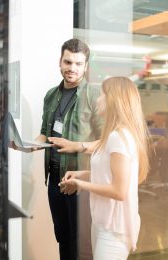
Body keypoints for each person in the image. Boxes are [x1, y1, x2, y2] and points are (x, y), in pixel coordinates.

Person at [10, 38, 103, 260]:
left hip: (80, 180)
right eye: (68, 62)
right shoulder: (51, 95)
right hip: (54, 179)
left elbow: (106, 140)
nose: (72, 68)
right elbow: (45, 132)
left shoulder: (94, 96)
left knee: (82, 243)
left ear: (86, 66)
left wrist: (77, 146)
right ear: (60, 62)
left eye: (78, 64)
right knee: (62, 237)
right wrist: (28, 146)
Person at [59, 77, 150, 260]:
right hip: (102, 222)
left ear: (113, 100)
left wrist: (80, 184)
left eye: (102, 94)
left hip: (114, 229)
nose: (98, 99)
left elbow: (119, 191)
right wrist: (82, 175)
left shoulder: (119, 137)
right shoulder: (113, 136)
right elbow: (109, 175)